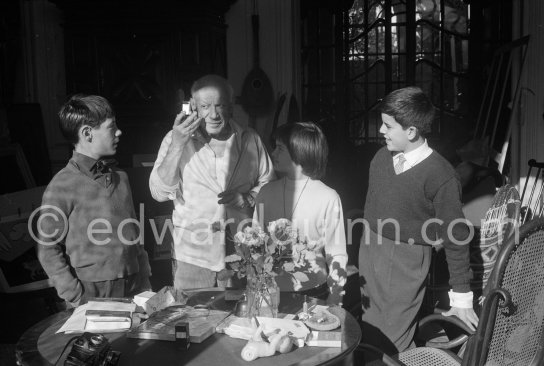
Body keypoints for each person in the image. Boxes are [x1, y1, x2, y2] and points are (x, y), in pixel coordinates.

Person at [359, 87, 478, 353]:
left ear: (411, 132)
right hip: (370, 257)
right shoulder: (380, 159)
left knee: (388, 342)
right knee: (369, 334)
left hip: (404, 265)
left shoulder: (441, 175)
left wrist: (461, 296)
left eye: (388, 126)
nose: (381, 130)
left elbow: (456, 236)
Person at [149, 74, 275, 290]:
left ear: (231, 106)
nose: (214, 114)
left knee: (238, 320)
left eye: (220, 105)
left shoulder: (250, 139)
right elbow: (159, 192)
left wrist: (249, 197)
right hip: (193, 256)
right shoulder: (174, 139)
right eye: (206, 106)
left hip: (241, 253)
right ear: (194, 108)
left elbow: (269, 183)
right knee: (193, 319)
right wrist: (178, 145)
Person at [37, 94, 151, 306]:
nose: (119, 132)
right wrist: (75, 294)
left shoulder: (121, 178)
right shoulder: (62, 184)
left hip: (135, 288)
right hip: (92, 292)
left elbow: (135, 232)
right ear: (87, 133)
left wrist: (144, 278)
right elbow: (47, 248)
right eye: (111, 127)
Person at [253, 122, 347, 305]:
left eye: (280, 148)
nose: (273, 153)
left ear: (299, 152)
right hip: (271, 292)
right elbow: (256, 243)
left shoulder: (328, 197)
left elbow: (337, 253)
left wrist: (335, 295)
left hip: (314, 291)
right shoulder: (266, 192)